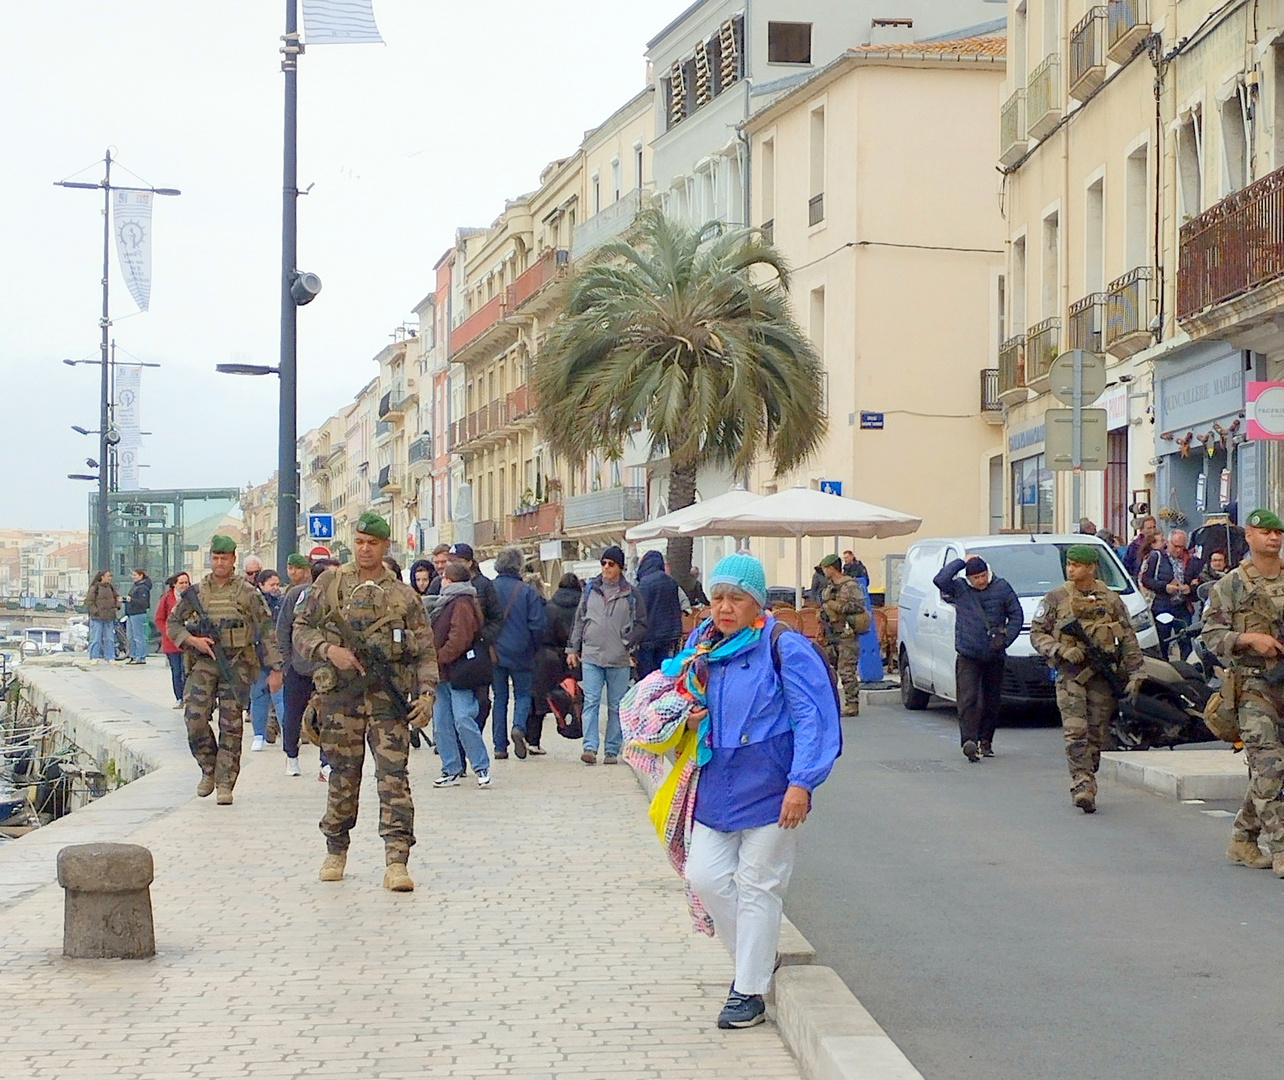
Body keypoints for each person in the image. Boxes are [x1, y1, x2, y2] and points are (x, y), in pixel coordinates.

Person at [676, 553, 841, 1029]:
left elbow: (814, 716)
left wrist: (802, 782)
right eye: (717, 598)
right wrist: (686, 720)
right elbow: (683, 696)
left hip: (772, 785)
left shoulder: (783, 646)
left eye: (736, 598)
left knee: (759, 885)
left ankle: (747, 991)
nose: (724, 608)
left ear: (757, 602)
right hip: (717, 781)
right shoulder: (702, 644)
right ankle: (757, 955)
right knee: (705, 878)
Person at [292, 512, 438, 891]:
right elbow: (300, 629)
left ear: (384, 546)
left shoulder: (404, 597)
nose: (364, 549)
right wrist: (328, 650)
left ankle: (396, 860)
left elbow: (424, 650)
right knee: (343, 776)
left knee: (393, 779)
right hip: (341, 697)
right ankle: (335, 849)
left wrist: (426, 695)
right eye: (358, 542)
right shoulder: (331, 584)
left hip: (388, 701)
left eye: (371, 543)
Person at [168, 535, 283, 805]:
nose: (219, 563)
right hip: (204, 663)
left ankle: (225, 782)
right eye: (215, 558)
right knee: (194, 717)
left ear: (233, 559)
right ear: (211, 559)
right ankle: (208, 768)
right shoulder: (196, 593)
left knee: (230, 725)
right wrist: (192, 640)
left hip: (237, 664)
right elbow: (174, 623)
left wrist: (275, 668)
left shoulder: (247, 592)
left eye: (225, 558)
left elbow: (266, 630)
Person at [1201, 508, 1284, 875]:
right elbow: (1211, 637)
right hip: (1253, 688)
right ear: (1248, 536)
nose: (1273, 538)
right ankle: (1281, 849)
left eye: (1278, 532)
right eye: (1265, 532)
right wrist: (1249, 639)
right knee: (1269, 767)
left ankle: (1242, 839)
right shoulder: (1232, 585)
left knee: (1274, 771)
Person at [1030, 545, 1142, 813]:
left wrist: (1136, 671)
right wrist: (1061, 650)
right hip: (1070, 676)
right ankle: (1082, 784)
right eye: (1069, 564)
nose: (1071, 569)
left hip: (1102, 678)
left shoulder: (1112, 600)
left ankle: (1088, 773)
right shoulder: (1056, 597)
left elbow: (1128, 638)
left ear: (1091, 568)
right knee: (1075, 731)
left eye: (1077, 565)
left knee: (1095, 734)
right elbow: (1037, 633)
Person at [932, 554, 1023, 761]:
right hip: (968, 653)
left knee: (991, 700)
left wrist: (1006, 638)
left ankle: (986, 741)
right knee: (968, 698)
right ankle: (968, 741)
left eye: (982, 576)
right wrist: (961, 561)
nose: (980, 581)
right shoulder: (960, 589)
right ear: (969, 578)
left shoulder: (1002, 587)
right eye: (975, 578)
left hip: (994, 654)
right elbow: (940, 580)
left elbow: (1016, 615)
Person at [567, 544, 648, 765]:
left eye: (610, 564)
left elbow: (641, 624)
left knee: (616, 705)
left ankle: (612, 749)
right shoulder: (590, 589)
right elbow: (580, 619)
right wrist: (573, 648)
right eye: (603, 563)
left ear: (620, 567)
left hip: (619, 657)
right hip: (592, 654)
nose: (605, 568)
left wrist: (628, 642)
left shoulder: (631, 594)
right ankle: (590, 747)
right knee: (591, 701)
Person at [429, 559, 492, 788]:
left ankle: (480, 766)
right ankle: (451, 768)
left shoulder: (462, 602)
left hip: (458, 671)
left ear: (452, 580)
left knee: (463, 718)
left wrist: (439, 657)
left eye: (445, 577)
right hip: (443, 673)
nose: (442, 581)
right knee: (441, 723)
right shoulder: (446, 601)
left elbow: (460, 637)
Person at [489, 546, 548, 760]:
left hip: (495, 651)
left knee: (500, 697)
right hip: (522, 651)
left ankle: (499, 746)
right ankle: (518, 727)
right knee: (523, 693)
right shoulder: (527, 591)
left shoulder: (489, 588)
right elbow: (538, 624)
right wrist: (534, 647)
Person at [528, 572, 582, 754]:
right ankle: (579, 730)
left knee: (541, 699)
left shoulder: (550, 607)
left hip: (548, 656)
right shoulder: (583, 606)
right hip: (575, 656)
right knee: (577, 695)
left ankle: (533, 740)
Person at [275, 554, 316, 777]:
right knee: (293, 713)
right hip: (297, 667)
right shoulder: (294, 595)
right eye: (289, 567)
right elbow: (282, 629)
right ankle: (291, 755)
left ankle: (326, 762)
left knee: (326, 715)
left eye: (295, 568)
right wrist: (286, 662)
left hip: (323, 667)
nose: (291, 572)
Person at [816, 554, 867, 717]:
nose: (823, 572)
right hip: (830, 633)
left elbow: (858, 606)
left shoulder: (850, 585)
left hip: (846, 634)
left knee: (846, 670)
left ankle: (852, 704)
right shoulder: (829, 586)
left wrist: (835, 606)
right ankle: (830, 702)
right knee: (825, 668)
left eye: (825, 568)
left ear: (832, 568)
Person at [1141, 529, 1202, 658]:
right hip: (1163, 605)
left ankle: (1188, 670)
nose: (1178, 550)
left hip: (1182, 606)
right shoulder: (1156, 557)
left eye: (1182, 547)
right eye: (1175, 546)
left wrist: (1190, 588)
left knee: (1186, 640)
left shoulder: (1190, 560)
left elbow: (1198, 583)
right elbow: (1146, 580)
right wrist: (1165, 587)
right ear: (1168, 543)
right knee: (1163, 640)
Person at [248, 569, 286, 752]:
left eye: (277, 584)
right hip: (257, 656)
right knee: (258, 696)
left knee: (280, 698)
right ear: (261, 585)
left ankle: (287, 734)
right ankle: (258, 735)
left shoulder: (282, 603)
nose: (276, 588)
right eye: (272, 584)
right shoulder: (253, 603)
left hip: (278, 656)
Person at [636, 550, 684, 679]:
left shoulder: (645, 583)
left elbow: (640, 610)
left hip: (648, 636)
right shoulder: (671, 582)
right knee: (662, 674)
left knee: (646, 676)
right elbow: (676, 608)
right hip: (668, 636)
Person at [155, 572, 191, 707]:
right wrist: (169, 633)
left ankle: (189, 697)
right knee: (177, 671)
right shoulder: (166, 599)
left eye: (186, 582)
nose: (184, 585)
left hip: (189, 641)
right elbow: (159, 619)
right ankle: (179, 697)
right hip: (172, 642)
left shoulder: (194, 597)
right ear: (174, 584)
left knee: (189, 670)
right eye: (181, 583)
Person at [85, 569, 120, 662]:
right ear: (102, 577)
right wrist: (95, 611)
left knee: (110, 638)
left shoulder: (111, 587)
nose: (110, 578)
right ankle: (94, 657)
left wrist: (116, 606)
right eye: (108, 576)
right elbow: (89, 601)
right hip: (97, 617)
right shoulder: (95, 588)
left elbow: (117, 597)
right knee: (96, 638)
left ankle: (110, 657)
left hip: (109, 616)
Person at [124, 568, 152, 665]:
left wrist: (131, 600)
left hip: (138, 614)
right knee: (130, 636)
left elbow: (144, 603)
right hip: (131, 614)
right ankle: (133, 655)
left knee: (138, 636)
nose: (133, 577)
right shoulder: (135, 586)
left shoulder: (143, 588)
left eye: (135, 575)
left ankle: (140, 656)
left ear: (141, 576)